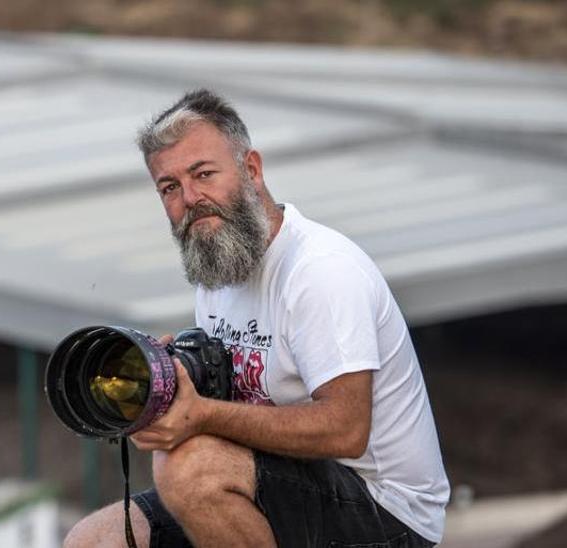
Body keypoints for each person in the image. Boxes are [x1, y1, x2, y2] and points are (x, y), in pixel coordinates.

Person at [64, 90, 449, 547]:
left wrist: (200, 415)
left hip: (386, 512)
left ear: (251, 170)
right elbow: (236, 397)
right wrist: (171, 381)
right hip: (281, 479)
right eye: (169, 187)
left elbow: (347, 429)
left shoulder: (319, 271)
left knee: (191, 469)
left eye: (203, 174)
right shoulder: (218, 269)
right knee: (94, 539)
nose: (191, 198)